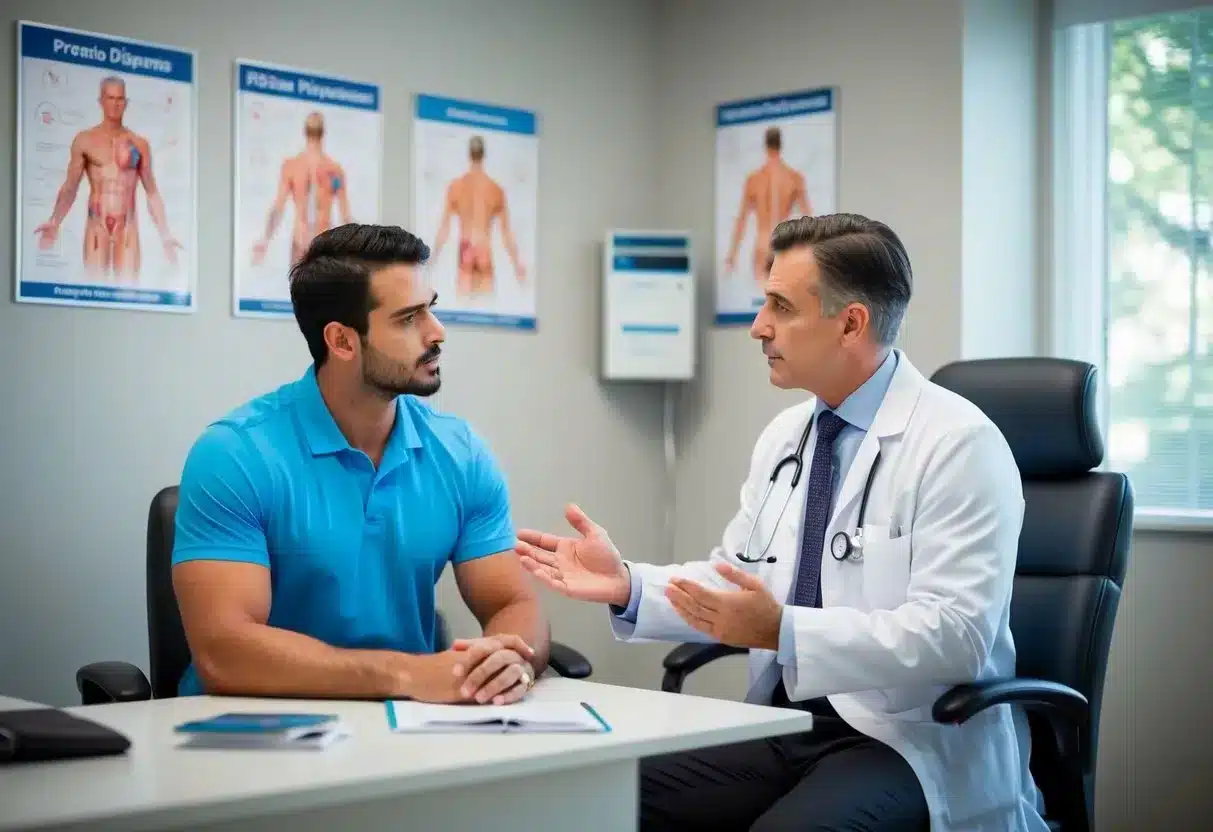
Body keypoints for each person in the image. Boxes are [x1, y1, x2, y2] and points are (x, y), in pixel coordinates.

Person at [516, 213, 1049, 832]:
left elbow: (956, 638)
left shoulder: (960, 445)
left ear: (851, 322)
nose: (757, 327)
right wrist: (629, 585)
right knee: (589, 798)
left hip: (906, 741)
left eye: (780, 306)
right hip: (786, 727)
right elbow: (740, 579)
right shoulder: (788, 436)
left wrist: (785, 630)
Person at [172, 223, 548, 704]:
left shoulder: (460, 452)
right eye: (409, 318)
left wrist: (509, 658)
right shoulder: (235, 455)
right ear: (343, 341)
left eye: (430, 309)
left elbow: (512, 601)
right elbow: (225, 653)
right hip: (255, 736)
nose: (438, 333)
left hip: (412, 728)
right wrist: (406, 675)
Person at [34, 75, 182, 283]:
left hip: (127, 227)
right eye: (110, 98)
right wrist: (55, 221)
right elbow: (70, 187)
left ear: (126, 103)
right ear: (101, 101)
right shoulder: (85, 140)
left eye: (120, 99)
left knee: (128, 293)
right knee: (95, 289)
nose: (115, 104)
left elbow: (152, 191)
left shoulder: (139, 144)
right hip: (97, 226)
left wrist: (165, 234)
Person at [252, 112, 353, 267]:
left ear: (304, 132)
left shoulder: (292, 166)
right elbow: (345, 216)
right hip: (325, 243)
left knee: (300, 290)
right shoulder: (334, 170)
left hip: (301, 241)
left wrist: (265, 238)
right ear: (323, 133)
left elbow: (278, 209)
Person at [431, 135, 526, 295]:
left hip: (466, 249)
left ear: (469, 154)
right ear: (484, 154)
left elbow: (444, 228)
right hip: (484, 250)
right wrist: (517, 265)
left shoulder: (456, 187)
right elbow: (506, 233)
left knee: (464, 311)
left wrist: (432, 259)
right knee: (484, 310)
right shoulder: (495, 189)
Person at [724, 126, 810, 284]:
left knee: (764, 302)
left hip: (762, 247)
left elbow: (741, 221)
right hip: (784, 247)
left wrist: (732, 256)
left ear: (765, 146)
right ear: (781, 145)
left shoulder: (754, 180)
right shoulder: (794, 178)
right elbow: (809, 222)